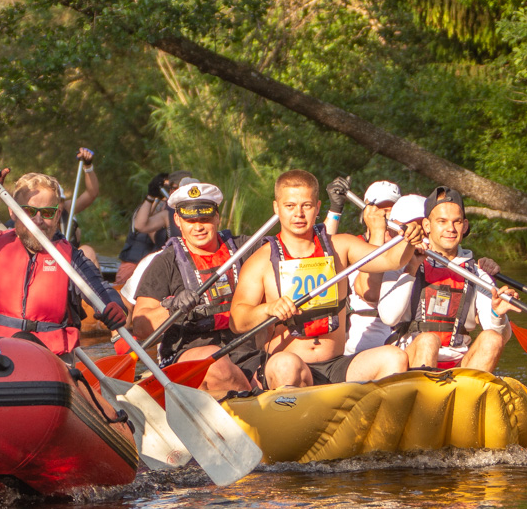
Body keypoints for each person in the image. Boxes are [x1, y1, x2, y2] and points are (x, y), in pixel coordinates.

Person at [230, 170, 418, 390]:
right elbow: (237, 321)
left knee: (394, 358)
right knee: (286, 365)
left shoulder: (340, 246)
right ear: (276, 207)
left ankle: (374, 421)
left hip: (335, 365)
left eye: (306, 206)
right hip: (286, 364)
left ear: (318, 207)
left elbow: (390, 260)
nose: (298, 214)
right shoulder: (261, 260)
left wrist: (410, 241)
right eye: (290, 206)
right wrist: (269, 309)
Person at [0, 164, 128, 357]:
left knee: (24, 342)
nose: (37, 220)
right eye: (28, 211)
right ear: (12, 212)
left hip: (47, 360)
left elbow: (101, 289)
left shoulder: (71, 258)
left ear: (58, 215)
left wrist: (114, 305)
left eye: (47, 213)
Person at [130, 182, 254, 398]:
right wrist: (171, 308)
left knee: (286, 365)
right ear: (177, 220)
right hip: (188, 353)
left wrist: (334, 213)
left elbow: (296, 248)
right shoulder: (165, 262)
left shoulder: (244, 248)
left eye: (205, 219)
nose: (198, 227)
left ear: (217, 217)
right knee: (216, 365)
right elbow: (140, 326)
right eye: (190, 220)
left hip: (246, 347)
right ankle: (256, 402)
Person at [376, 187, 517, 372]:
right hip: (411, 363)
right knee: (428, 340)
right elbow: (388, 317)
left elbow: (501, 337)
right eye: (442, 221)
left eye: (456, 222)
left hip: (459, 366)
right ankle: (424, 396)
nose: (450, 229)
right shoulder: (401, 264)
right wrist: (411, 269)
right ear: (427, 225)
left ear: (465, 226)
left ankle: (467, 394)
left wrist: (498, 315)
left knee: (492, 338)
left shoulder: (477, 274)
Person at [335, 180, 402, 354]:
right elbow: (368, 292)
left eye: (391, 211)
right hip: (360, 349)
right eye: (380, 211)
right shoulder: (351, 247)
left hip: (402, 345)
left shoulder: (408, 249)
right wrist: (378, 233)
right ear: (367, 214)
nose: (385, 218)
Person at [117, 170, 195, 284]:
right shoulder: (166, 212)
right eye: (171, 188)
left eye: (176, 187)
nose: (173, 191)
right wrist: (151, 197)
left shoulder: (200, 209)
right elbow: (140, 225)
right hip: (161, 267)